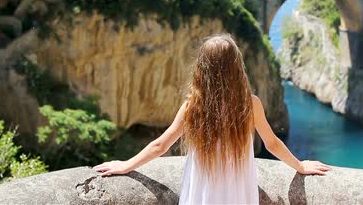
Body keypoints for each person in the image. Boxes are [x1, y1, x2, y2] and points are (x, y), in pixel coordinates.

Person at [94, 34, 330, 204]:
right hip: (238, 193)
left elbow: (161, 145)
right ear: (237, 67)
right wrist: (299, 166)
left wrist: (126, 165)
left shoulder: (192, 107)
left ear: (202, 68)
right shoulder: (250, 104)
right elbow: (272, 144)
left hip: (202, 193)